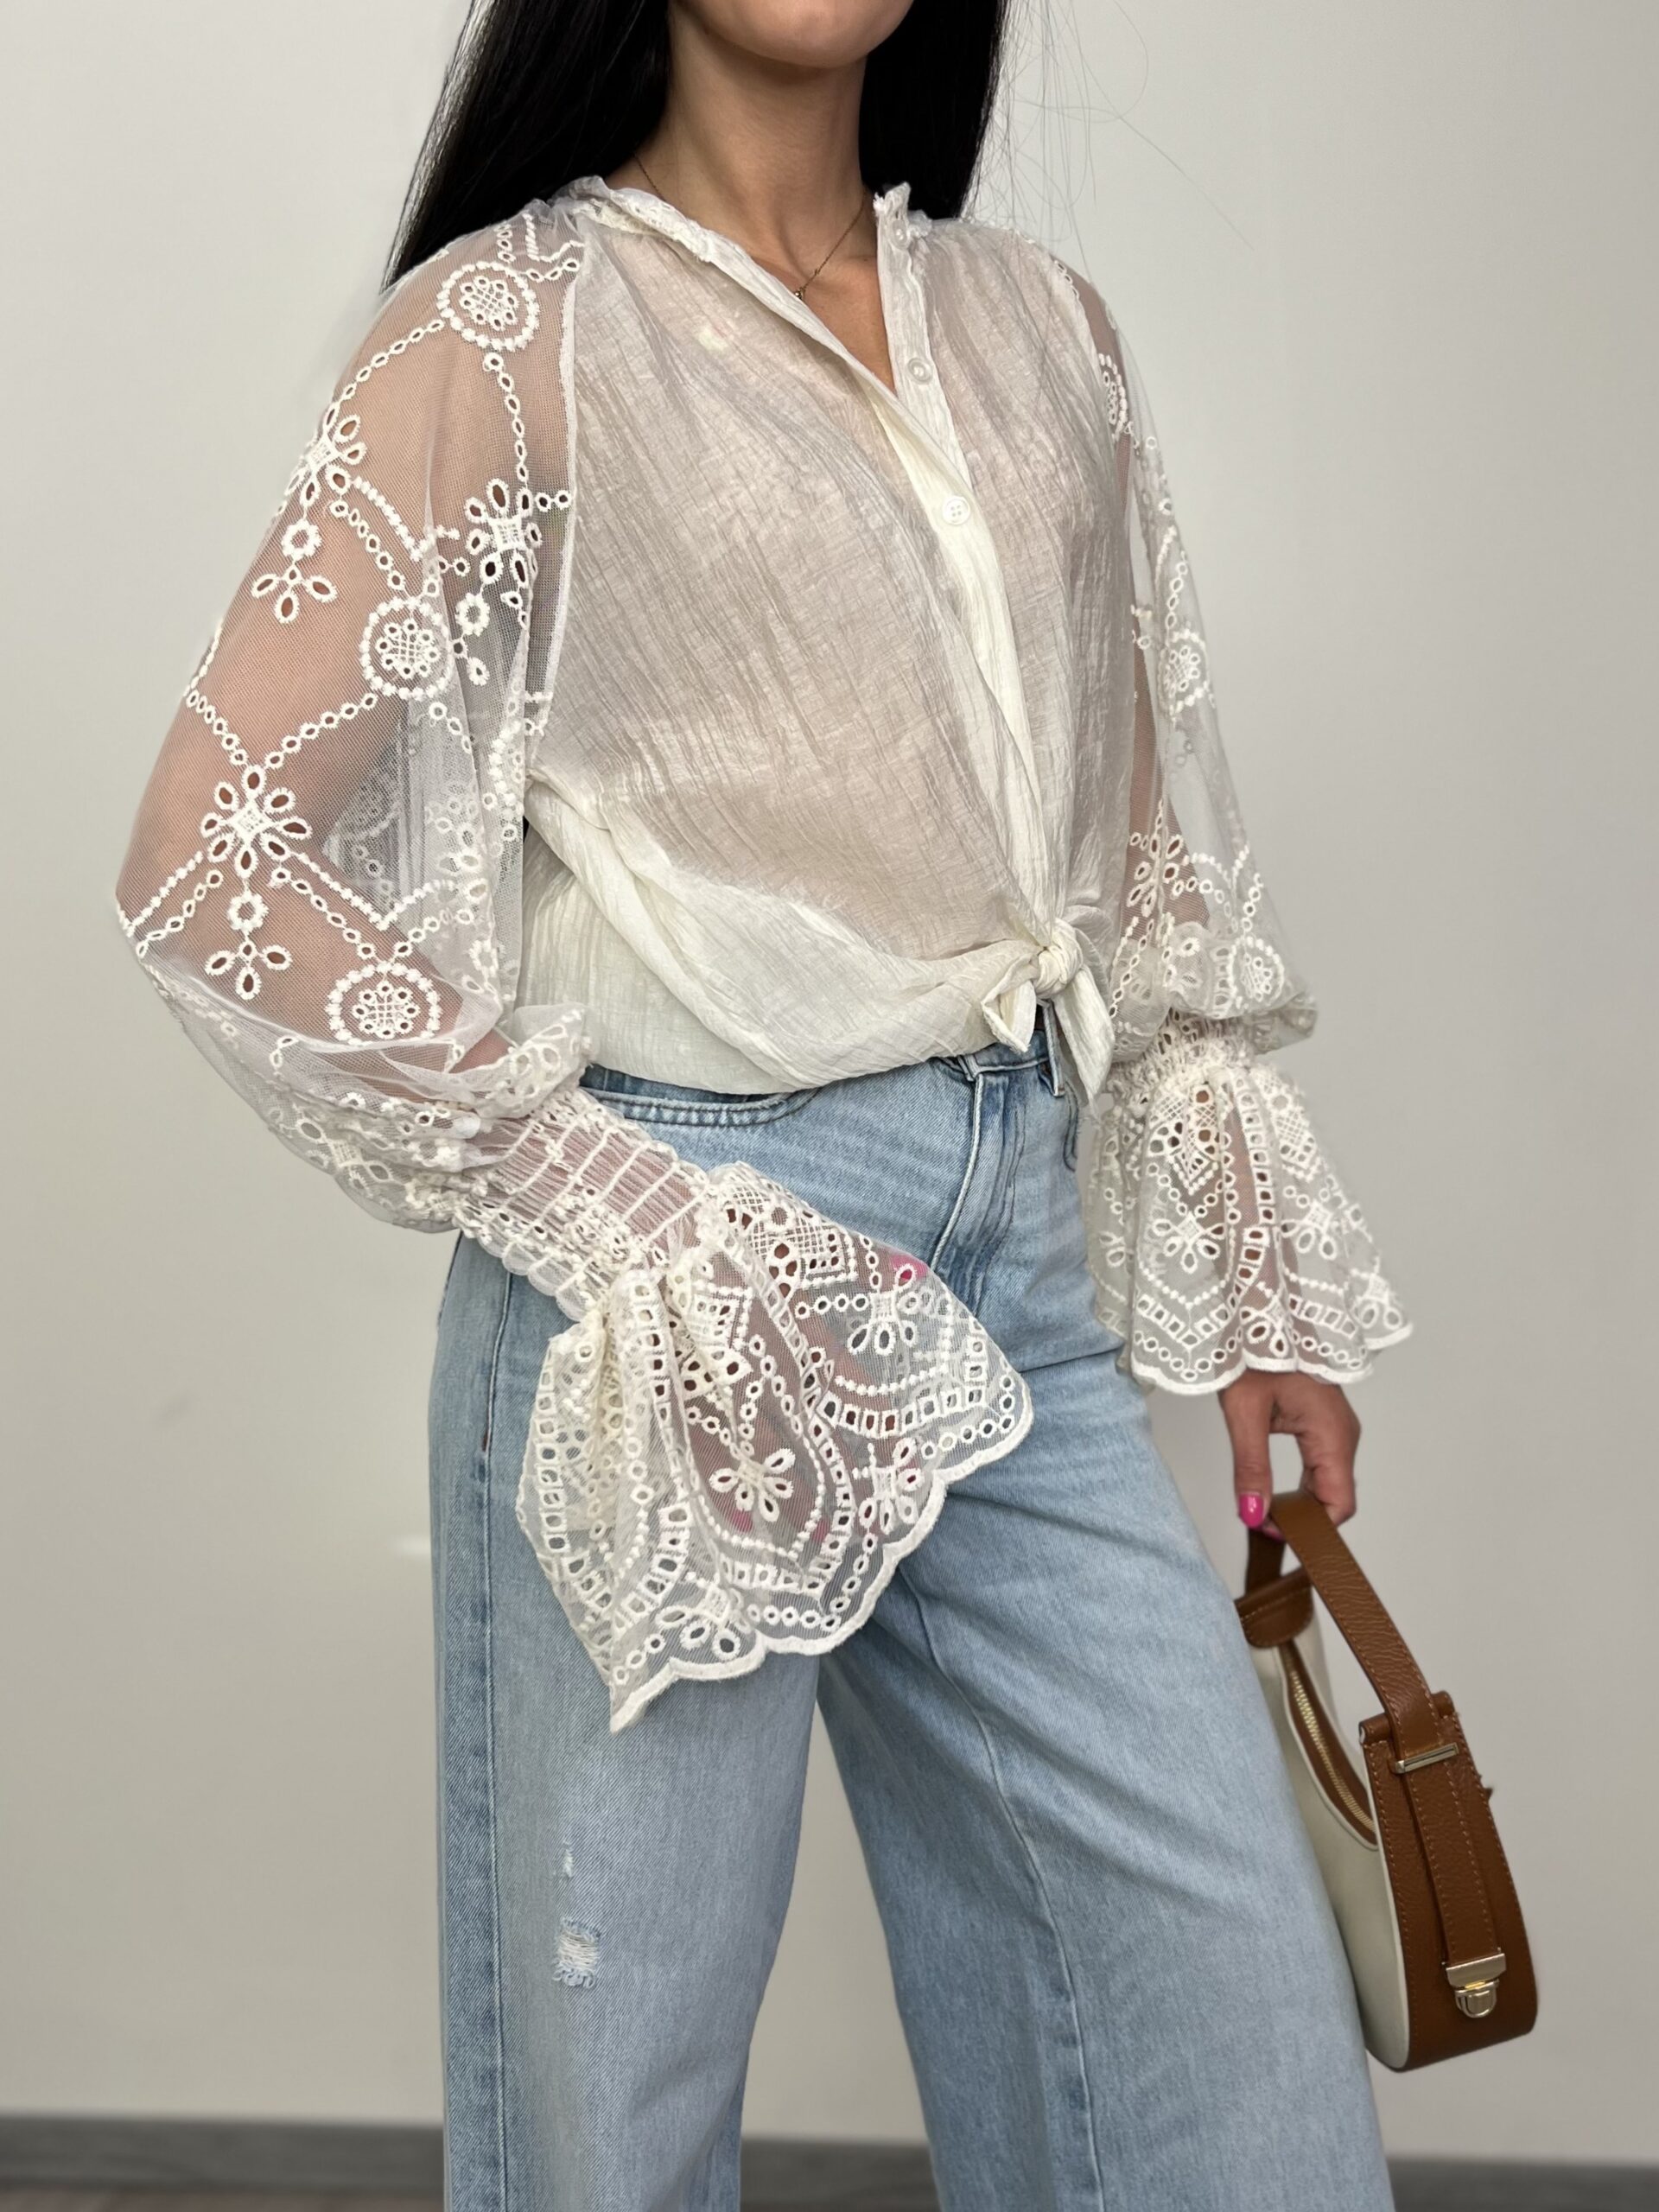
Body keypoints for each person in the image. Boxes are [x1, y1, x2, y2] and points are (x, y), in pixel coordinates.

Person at [112, 1, 1413, 2205]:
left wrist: (1253, 1267)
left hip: (1022, 1242)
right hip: (674, 1282)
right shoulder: (512, 328)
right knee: (616, 2129)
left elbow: (1134, 837)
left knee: (1227, 2051)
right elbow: (209, 855)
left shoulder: (1039, 328)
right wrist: (620, 1210)